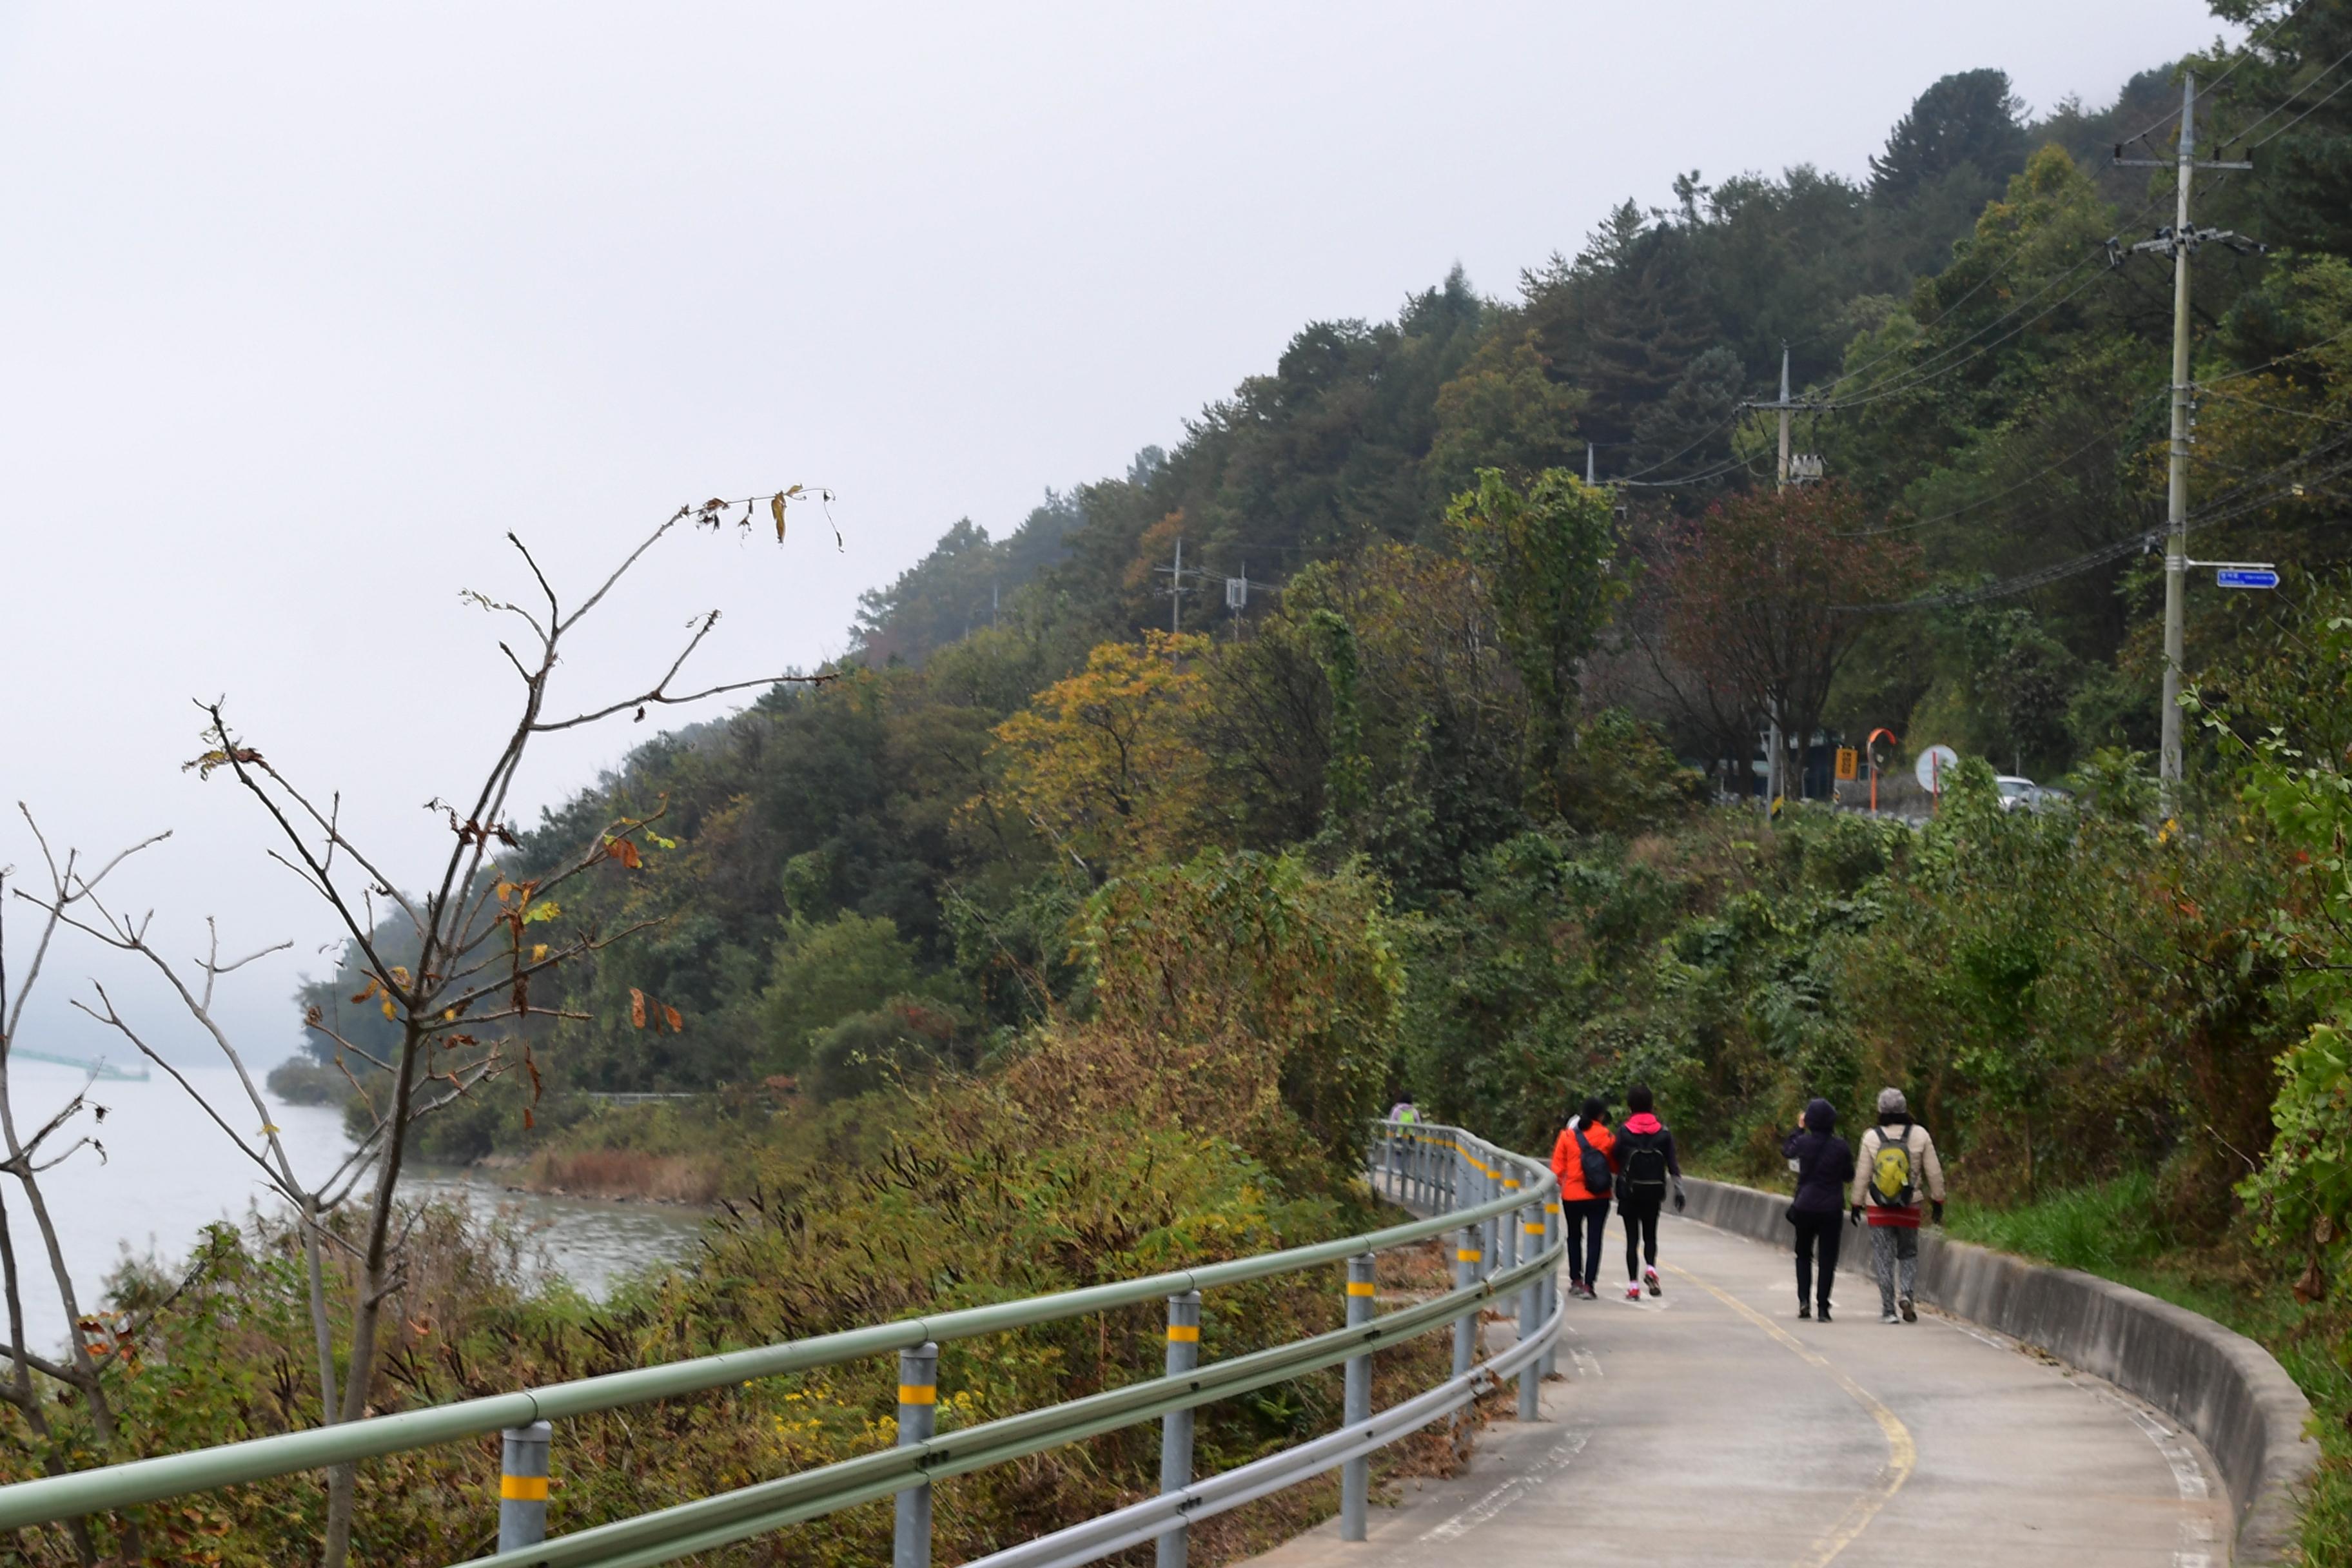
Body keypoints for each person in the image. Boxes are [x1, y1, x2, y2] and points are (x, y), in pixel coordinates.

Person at [1848, 1086, 1946, 1324]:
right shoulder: (1920, 1134)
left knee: (1884, 1258)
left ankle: (1888, 1311)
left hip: (1878, 1208)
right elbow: (1934, 1171)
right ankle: (1907, 1295)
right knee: (1909, 1253)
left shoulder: (1871, 1137)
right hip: (1909, 1206)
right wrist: (1938, 1200)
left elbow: (1863, 1174)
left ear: (1880, 1110)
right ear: (1904, 1108)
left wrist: (1856, 1203)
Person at [1783, 1098, 1854, 1321]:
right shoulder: (1841, 1146)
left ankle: (1804, 1301)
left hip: (1805, 1206)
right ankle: (1823, 1308)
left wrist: (1798, 1128)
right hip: (1831, 1209)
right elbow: (1849, 1176)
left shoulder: (1803, 1143)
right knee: (1827, 1258)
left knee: (1803, 1254)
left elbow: (1787, 1151)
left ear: (1810, 1121)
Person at [1614, 1084, 1686, 1300]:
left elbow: (1616, 1159)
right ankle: (1651, 1269)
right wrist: (1679, 1191)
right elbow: (1673, 1164)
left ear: (1630, 1106)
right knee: (1650, 1236)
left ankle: (1634, 1286)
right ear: (1651, 1105)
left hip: (1630, 1192)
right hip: (1654, 1193)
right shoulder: (1663, 1134)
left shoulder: (1625, 1132)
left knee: (1632, 1240)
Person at [1549, 1096, 1614, 1300]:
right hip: (1599, 1195)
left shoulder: (1567, 1136)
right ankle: (1589, 1286)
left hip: (1572, 1195)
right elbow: (1613, 1166)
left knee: (1574, 1237)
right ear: (1601, 1116)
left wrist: (1561, 1186)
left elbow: (1557, 1169)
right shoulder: (1607, 1137)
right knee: (1595, 1239)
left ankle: (1575, 1280)